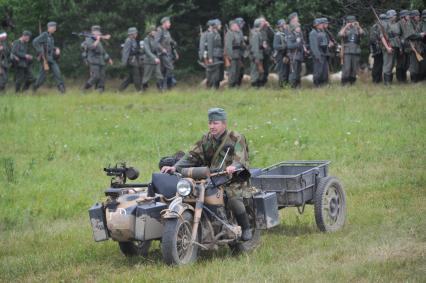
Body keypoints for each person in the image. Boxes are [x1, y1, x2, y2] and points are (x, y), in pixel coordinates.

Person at [160, 108, 253, 241]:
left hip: (233, 178)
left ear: (224, 124)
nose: (211, 126)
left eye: (215, 123)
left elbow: (241, 158)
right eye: (210, 123)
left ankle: (246, 227)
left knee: (233, 198)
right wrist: (174, 167)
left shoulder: (236, 138)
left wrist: (234, 166)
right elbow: (192, 155)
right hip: (213, 177)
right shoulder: (206, 139)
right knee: (191, 193)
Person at [32, 21, 65, 94]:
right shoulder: (44, 35)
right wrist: (40, 51)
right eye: (53, 27)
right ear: (49, 27)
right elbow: (34, 42)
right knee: (42, 77)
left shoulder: (51, 37)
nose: (55, 29)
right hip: (45, 58)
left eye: (55, 27)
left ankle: (62, 89)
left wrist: (56, 49)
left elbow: (51, 47)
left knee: (57, 73)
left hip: (51, 58)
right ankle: (35, 87)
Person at [82, 25, 112, 93]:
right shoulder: (88, 39)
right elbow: (92, 47)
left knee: (102, 76)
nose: (98, 34)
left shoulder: (98, 41)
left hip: (101, 60)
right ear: (93, 32)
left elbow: (103, 51)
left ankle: (100, 90)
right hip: (93, 60)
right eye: (96, 32)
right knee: (96, 76)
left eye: (98, 33)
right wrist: (98, 40)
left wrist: (108, 58)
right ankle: (85, 88)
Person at [338, 15, 364, 85]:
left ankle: (352, 82)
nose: (352, 23)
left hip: (356, 50)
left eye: (353, 21)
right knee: (347, 68)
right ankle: (344, 82)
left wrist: (358, 26)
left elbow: (362, 33)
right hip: (347, 51)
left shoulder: (357, 29)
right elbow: (340, 34)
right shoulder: (345, 29)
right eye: (351, 21)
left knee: (354, 68)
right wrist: (346, 27)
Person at [402, 10, 425, 83]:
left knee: (420, 65)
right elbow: (410, 35)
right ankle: (414, 81)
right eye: (417, 16)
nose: (419, 17)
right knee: (414, 65)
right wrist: (420, 35)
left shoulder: (418, 23)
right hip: (412, 47)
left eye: (419, 15)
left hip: (419, 47)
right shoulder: (409, 24)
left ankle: (419, 80)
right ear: (413, 17)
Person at [380, 10, 402, 85]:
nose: (395, 16)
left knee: (392, 64)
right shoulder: (385, 24)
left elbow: (398, 36)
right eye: (394, 15)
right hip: (389, 46)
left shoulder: (397, 24)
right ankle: (387, 83)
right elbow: (382, 37)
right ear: (390, 16)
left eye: (395, 15)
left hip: (396, 46)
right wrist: (387, 47)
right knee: (388, 64)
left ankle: (389, 81)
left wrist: (400, 47)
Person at [156, 17, 178, 90]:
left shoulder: (167, 32)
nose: (170, 24)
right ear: (164, 23)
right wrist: (162, 49)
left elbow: (170, 43)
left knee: (165, 71)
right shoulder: (160, 31)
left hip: (169, 54)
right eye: (169, 23)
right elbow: (156, 42)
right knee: (170, 68)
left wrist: (175, 51)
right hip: (162, 54)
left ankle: (163, 86)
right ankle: (165, 86)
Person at [119, 27, 143, 92]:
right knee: (136, 75)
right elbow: (125, 52)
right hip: (131, 61)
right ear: (132, 34)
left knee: (130, 78)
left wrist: (138, 51)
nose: (136, 34)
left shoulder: (133, 40)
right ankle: (139, 90)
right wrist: (124, 62)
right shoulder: (128, 40)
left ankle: (120, 90)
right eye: (135, 33)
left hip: (134, 60)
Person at [142, 25, 164, 91]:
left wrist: (162, 49)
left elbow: (158, 45)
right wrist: (154, 58)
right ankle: (144, 90)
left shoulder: (155, 39)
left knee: (159, 75)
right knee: (146, 77)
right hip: (149, 61)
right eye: (154, 31)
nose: (155, 32)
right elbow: (147, 51)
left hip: (156, 60)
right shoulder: (146, 39)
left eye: (155, 31)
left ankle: (160, 89)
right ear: (150, 32)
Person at [309, 18, 329, 87]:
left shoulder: (321, 32)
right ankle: (317, 85)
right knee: (318, 71)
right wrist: (318, 56)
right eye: (320, 24)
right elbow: (314, 46)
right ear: (316, 25)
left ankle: (323, 84)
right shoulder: (313, 33)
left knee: (324, 71)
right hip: (318, 55)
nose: (322, 25)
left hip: (323, 54)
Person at [224, 20, 244, 88]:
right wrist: (230, 56)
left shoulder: (237, 33)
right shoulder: (229, 34)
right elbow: (228, 46)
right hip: (233, 56)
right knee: (232, 72)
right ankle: (231, 86)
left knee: (237, 72)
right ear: (232, 26)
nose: (237, 26)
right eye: (235, 25)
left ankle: (235, 85)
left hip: (238, 55)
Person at [286, 20, 305, 88]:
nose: (299, 28)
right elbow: (289, 46)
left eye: (299, 27)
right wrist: (297, 43)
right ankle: (292, 86)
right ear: (294, 28)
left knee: (298, 72)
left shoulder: (299, 35)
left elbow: (302, 44)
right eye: (298, 27)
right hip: (293, 56)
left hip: (299, 56)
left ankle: (297, 85)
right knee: (293, 72)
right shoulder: (290, 35)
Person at [205, 19, 224, 89]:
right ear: (215, 25)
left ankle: (216, 87)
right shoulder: (211, 34)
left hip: (219, 54)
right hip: (214, 55)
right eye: (219, 24)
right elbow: (210, 46)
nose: (220, 26)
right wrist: (210, 57)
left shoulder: (217, 33)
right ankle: (212, 87)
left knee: (218, 73)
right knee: (214, 73)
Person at [369, 14, 387, 83]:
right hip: (376, 49)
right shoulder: (375, 27)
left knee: (381, 64)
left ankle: (379, 79)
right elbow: (372, 39)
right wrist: (380, 42)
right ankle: (375, 80)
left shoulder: (382, 27)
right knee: (377, 64)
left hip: (381, 48)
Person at [273, 19, 290, 87]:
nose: (285, 26)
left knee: (286, 71)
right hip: (280, 55)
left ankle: (286, 84)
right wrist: (284, 46)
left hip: (286, 55)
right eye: (283, 25)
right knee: (282, 72)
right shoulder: (278, 35)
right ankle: (281, 86)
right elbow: (275, 46)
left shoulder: (286, 34)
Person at [258, 17, 274, 86]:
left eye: (264, 21)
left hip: (266, 52)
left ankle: (263, 83)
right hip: (260, 52)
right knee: (260, 70)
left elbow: (273, 35)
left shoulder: (266, 29)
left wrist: (269, 26)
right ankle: (258, 84)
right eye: (262, 22)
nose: (264, 23)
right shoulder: (257, 30)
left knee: (266, 70)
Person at [249, 19, 264, 87]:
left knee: (259, 71)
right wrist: (256, 57)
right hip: (256, 55)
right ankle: (254, 85)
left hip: (259, 54)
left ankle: (257, 85)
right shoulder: (255, 34)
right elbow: (255, 47)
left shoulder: (258, 33)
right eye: (261, 23)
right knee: (255, 71)